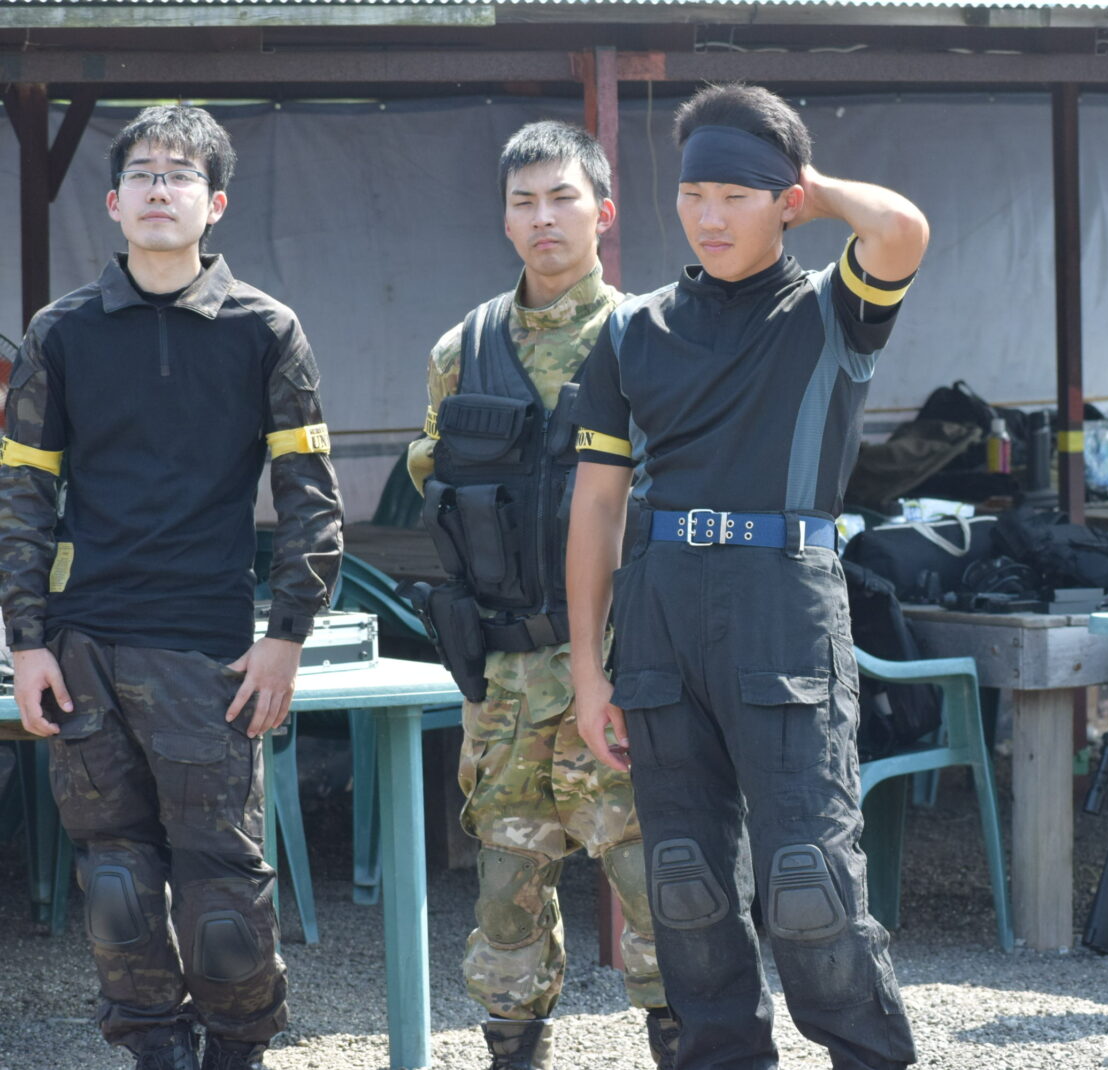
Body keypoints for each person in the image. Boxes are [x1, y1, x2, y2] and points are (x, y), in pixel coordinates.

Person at [566, 83, 929, 1069]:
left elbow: (901, 229)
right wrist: (589, 671)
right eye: (694, 193)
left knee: (809, 886)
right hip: (661, 611)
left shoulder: (832, 312)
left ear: (786, 201)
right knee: (685, 886)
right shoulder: (630, 331)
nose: (710, 215)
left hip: (784, 605)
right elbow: (596, 508)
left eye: (736, 194)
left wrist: (811, 184)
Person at [0, 105, 343, 1069]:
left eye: (181, 174)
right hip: (83, 653)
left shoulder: (265, 330)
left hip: (208, 655)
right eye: (143, 173)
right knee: (114, 888)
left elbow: (311, 500)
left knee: (223, 895)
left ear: (214, 203)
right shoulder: (60, 333)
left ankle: (236, 1051)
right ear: (113, 202)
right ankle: (153, 1052)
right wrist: (26, 641)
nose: (160, 188)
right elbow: (22, 497)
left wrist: (286, 637)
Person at [404, 120, 673, 1070]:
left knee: (660, 885)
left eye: (563, 197)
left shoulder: (651, 338)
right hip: (508, 674)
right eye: (524, 201)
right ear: (505, 219)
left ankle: (689, 1046)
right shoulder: (461, 350)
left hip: (627, 667)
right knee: (504, 896)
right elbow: (441, 494)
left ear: (604, 212)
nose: (543, 217)